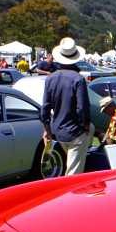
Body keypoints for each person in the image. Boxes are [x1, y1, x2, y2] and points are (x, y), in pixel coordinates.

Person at [40, 37, 93, 176]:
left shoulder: (50, 78)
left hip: (58, 130)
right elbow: (82, 108)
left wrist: (46, 129)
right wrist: (85, 124)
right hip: (75, 131)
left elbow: (45, 108)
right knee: (73, 174)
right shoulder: (78, 79)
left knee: (68, 167)